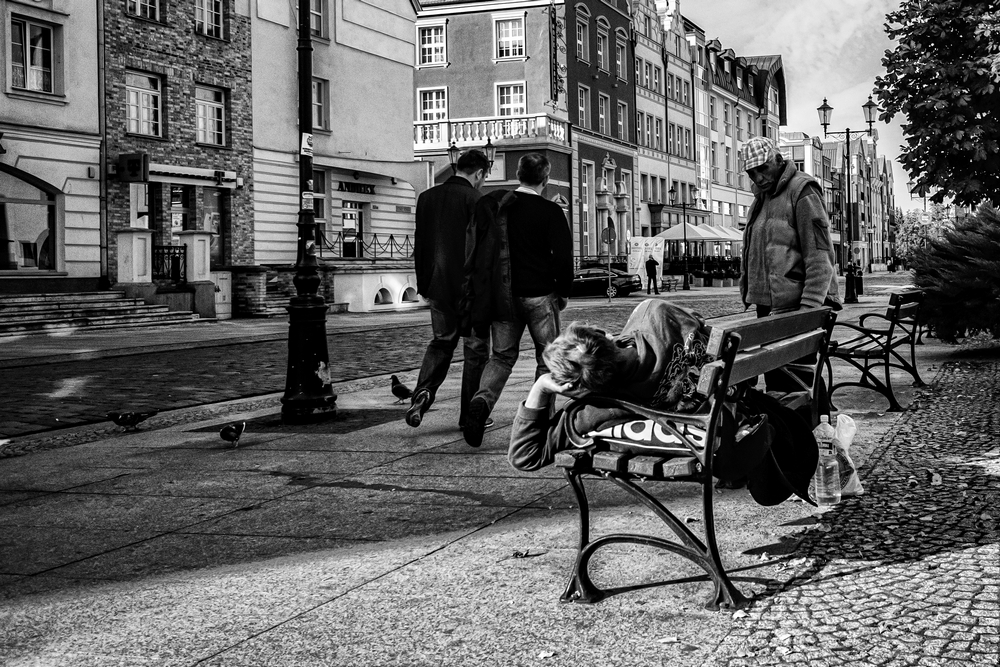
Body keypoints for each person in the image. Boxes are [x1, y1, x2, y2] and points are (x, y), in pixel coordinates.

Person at [508, 299, 710, 471]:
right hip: (722, 409)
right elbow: (701, 324)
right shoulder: (656, 315)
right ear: (607, 336)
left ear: (578, 388)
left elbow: (525, 456)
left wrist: (541, 387)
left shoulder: (600, 410)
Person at [461, 153, 574, 448]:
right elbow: (562, 257)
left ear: (518, 175)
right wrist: (562, 290)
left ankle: (481, 403)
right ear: (545, 180)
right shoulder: (550, 211)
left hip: (503, 297)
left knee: (501, 356)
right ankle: (541, 421)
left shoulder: (502, 207)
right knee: (547, 358)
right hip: (539, 295)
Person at [405, 149, 492, 431]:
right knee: (475, 350)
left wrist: (423, 283)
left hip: (437, 285)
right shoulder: (476, 200)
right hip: (469, 290)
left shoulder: (426, 198)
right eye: (483, 177)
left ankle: (423, 392)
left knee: (441, 342)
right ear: (478, 173)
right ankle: (470, 415)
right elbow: (484, 250)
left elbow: (421, 243)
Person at [738, 136, 839, 316]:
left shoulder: (802, 191)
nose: (758, 178)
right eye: (751, 172)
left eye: (762, 168)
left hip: (795, 306)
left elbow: (819, 253)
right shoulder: (762, 198)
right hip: (768, 306)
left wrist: (810, 305)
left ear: (778, 160)